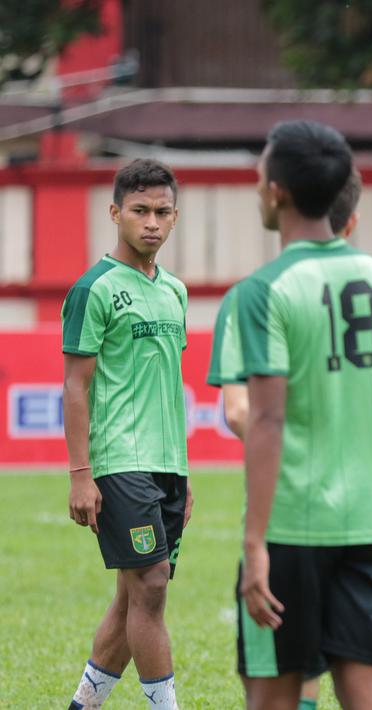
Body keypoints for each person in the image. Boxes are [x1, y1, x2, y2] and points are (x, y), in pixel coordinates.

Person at [207, 168, 372, 710]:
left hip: (293, 516)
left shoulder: (257, 295)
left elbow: (248, 414)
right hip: (370, 516)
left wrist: (257, 537)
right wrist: (366, 468)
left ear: (275, 192)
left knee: (278, 688)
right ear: (350, 217)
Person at [63, 159, 189, 710]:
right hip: (119, 462)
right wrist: (80, 474)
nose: (152, 223)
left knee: (131, 595)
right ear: (115, 213)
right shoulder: (93, 289)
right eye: (140, 211)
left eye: (162, 212)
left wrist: (186, 475)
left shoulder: (176, 292)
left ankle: (82, 706)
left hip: (168, 465)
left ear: (174, 217)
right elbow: (74, 386)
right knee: (152, 585)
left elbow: (167, 386)